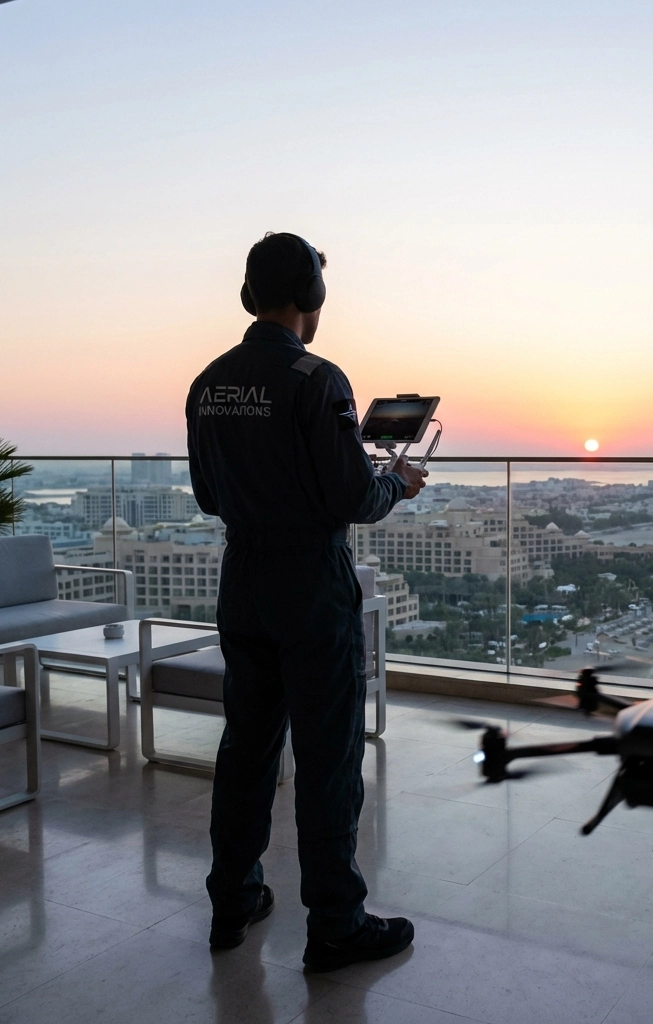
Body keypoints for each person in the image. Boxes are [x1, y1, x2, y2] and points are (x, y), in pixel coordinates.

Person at [185, 231, 427, 972]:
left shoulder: (208, 381)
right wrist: (397, 483)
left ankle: (233, 900)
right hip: (310, 585)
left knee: (247, 747)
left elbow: (207, 496)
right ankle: (336, 924)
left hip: (243, 579)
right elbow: (354, 497)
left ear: (249, 294)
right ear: (310, 296)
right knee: (328, 756)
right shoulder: (318, 379)